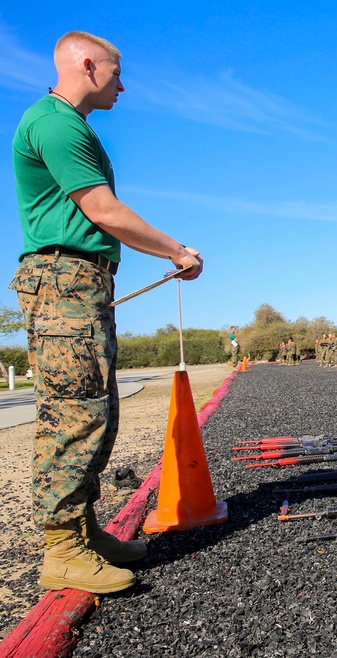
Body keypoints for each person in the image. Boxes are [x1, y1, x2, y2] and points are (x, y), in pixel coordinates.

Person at [8, 31, 203, 594]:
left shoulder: (72, 124)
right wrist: (175, 250)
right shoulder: (55, 121)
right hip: (63, 280)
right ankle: (63, 549)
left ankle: (86, 534)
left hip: (81, 281)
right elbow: (102, 209)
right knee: (74, 412)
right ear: (87, 65)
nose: (123, 84)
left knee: (96, 408)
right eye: (117, 73)